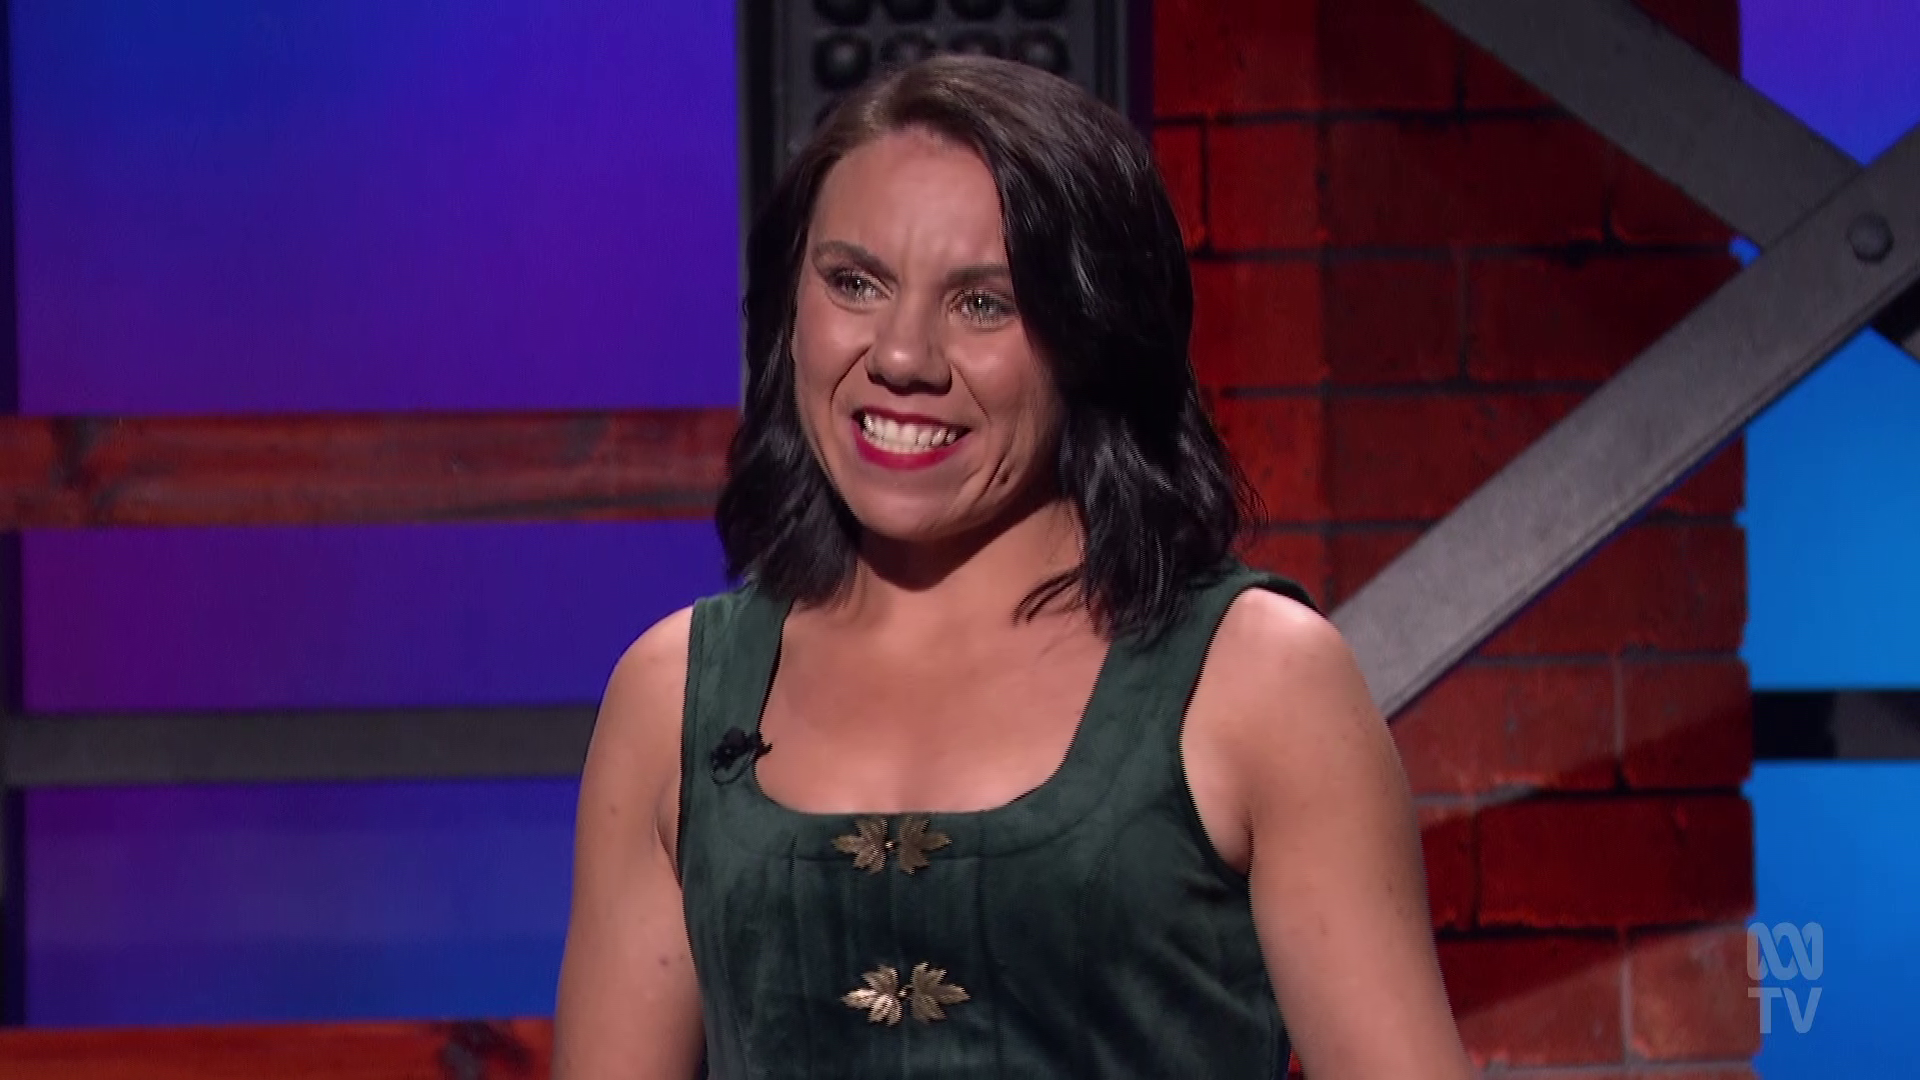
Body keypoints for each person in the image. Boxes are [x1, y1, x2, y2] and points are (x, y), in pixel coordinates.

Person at [553, 54, 1475, 1079]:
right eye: (855, 283)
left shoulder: (1260, 681)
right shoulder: (672, 696)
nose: (902, 357)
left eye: (983, 303)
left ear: (1091, 332)